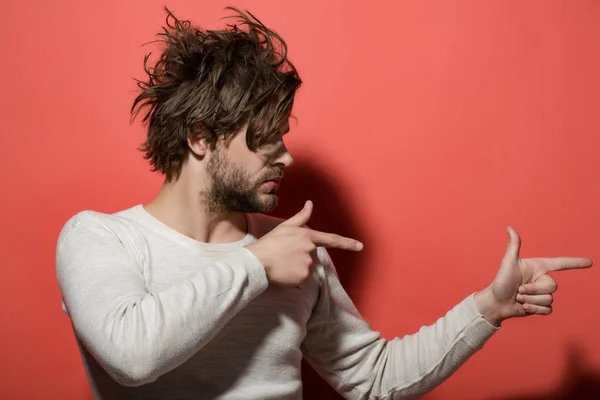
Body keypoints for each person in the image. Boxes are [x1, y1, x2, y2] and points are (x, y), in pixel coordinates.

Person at [55, 7, 593, 400]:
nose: (285, 156)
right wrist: (257, 264)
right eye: (265, 136)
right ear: (202, 137)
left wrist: (488, 308)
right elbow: (133, 356)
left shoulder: (294, 249)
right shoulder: (101, 238)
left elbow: (374, 377)